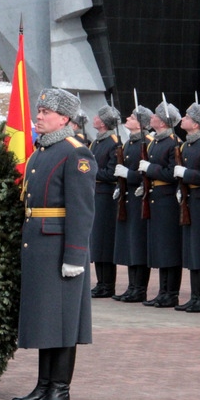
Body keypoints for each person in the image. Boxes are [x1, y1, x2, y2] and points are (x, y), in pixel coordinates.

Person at [13, 88, 96, 400]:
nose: (39, 116)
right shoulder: (42, 151)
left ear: (64, 118)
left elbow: (81, 209)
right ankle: (43, 385)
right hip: (40, 245)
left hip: (60, 246)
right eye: (39, 111)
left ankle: (60, 389)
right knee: (46, 319)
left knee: (62, 321)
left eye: (46, 112)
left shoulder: (75, 153)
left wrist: (75, 255)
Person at [172, 103, 200, 312]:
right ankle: (195, 297)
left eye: (187, 117)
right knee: (192, 251)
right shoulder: (187, 145)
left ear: (197, 124)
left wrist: (186, 174)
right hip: (190, 201)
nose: (183, 119)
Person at [138, 99, 183, 308]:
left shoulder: (173, 143)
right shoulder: (155, 141)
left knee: (169, 248)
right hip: (156, 198)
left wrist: (150, 169)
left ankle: (171, 293)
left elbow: (172, 173)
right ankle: (163, 292)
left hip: (167, 200)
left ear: (163, 122)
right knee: (161, 247)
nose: (152, 118)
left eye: (155, 116)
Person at [112, 106, 153, 302]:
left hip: (140, 198)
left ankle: (140, 288)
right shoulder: (129, 142)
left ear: (141, 124)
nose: (128, 118)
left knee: (138, 244)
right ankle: (132, 286)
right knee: (130, 243)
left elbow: (146, 174)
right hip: (128, 198)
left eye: (132, 117)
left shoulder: (147, 142)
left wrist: (128, 175)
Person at [89, 105, 121, 298]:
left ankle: (108, 285)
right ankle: (101, 283)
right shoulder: (96, 142)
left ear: (102, 122)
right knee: (97, 241)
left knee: (105, 241)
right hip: (96, 195)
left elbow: (111, 173)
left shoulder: (113, 143)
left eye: (97, 116)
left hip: (106, 197)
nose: (94, 119)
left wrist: (90, 172)